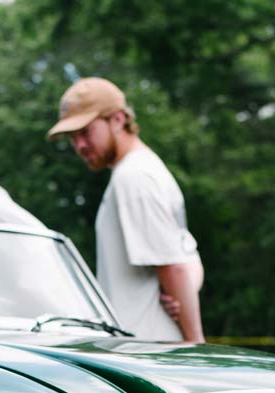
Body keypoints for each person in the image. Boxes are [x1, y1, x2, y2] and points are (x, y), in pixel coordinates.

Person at [47, 77, 203, 343]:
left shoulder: (134, 178)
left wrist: (196, 345)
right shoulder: (144, 170)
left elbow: (174, 267)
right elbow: (187, 258)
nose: (80, 146)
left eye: (85, 132)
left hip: (146, 350)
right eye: (73, 138)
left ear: (118, 120)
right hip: (148, 348)